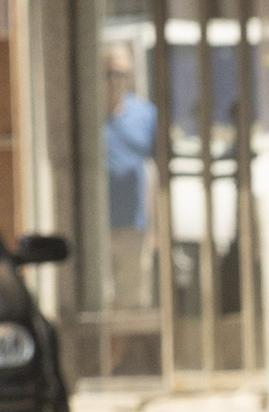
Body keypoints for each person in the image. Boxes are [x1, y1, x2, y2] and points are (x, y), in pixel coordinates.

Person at [102, 46, 157, 312]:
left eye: (121, 74)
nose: (115, 81)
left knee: (132, 300)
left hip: (133, 226)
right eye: (109, 74)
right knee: (101, 299)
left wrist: (156, 226)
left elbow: (157, 171)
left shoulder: (145, 114)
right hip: (95, 228)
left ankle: (127, 354)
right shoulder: (88, 117)